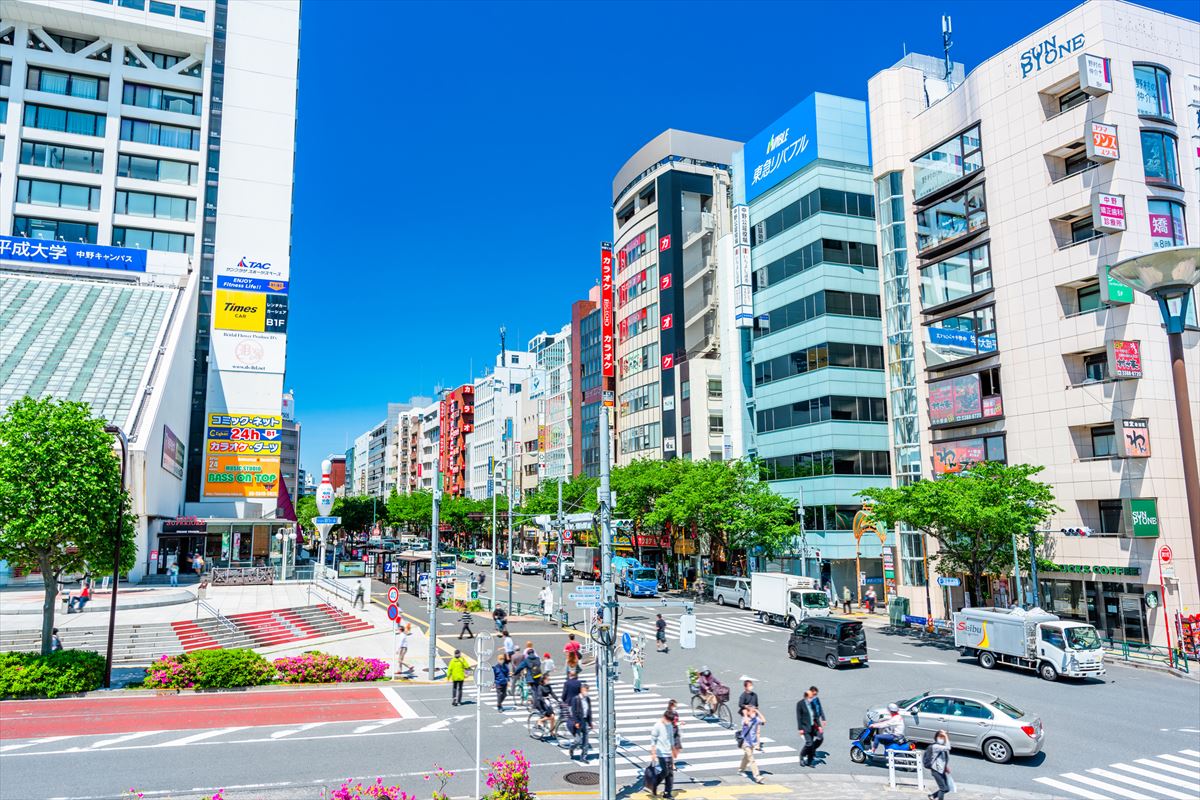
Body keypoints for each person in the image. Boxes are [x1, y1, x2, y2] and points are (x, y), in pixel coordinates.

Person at [648, 710, 675, 799]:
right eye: (668, 720)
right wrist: (653, 754)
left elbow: (671, 739)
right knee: (666, 771)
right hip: (661, 753)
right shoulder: (657, 725)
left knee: (670, 774)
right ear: (664, 717)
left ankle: (668, 792)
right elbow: (653, 740)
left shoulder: (670, 725)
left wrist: (673, 753)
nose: (668, 723)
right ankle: (654, 783)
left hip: (668, 753)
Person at [738, 705, 766, 783]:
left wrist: (757, 711)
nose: (754, 713)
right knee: (751, 759)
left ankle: (741, 770)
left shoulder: (755, 720)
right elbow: (746, 722)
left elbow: (764, 721)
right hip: (745, 742)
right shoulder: (745, 719)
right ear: (748, 712)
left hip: (752, 743)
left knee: (746, 757)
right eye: (752, 711)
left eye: (754, 711)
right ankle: (757, 776)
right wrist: (745, 714)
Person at [796, 688, 821, 767]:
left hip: (813, 726)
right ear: (806, 697)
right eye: (810, 697)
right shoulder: (800, 704)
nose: (812, 698)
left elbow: (816, 716)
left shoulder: (812, 704)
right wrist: (800, 728)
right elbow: (799, 717)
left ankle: (809, 761)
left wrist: (819, 726)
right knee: (809, 743)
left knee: (817, 741)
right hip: (805, 727)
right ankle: (802, 755)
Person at [568, 682, 593, 761]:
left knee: (586, 741)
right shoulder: (576, 699)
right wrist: (576, 722)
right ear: (581, 690)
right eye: (586, 690)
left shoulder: (587, 699)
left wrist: (590, 722)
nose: (587, 692)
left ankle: (583, 757)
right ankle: (572, 748)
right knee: (577, 740)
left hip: (585, 721)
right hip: (579, 721)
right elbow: (573, 711)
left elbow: (589, 711)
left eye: (587, 690)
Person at [927, 729, 953, 800]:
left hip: (941, 770)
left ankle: (932, 796)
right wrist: (945, 735)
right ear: (936, 738)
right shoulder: (935, 746)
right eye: (940, 737)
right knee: (943, 789)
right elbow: (948, 747)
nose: (942, 739)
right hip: (936, 770)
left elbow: (943, 759)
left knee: (947, 788)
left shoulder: (941, 746)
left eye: (943, 737)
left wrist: (945, 767)